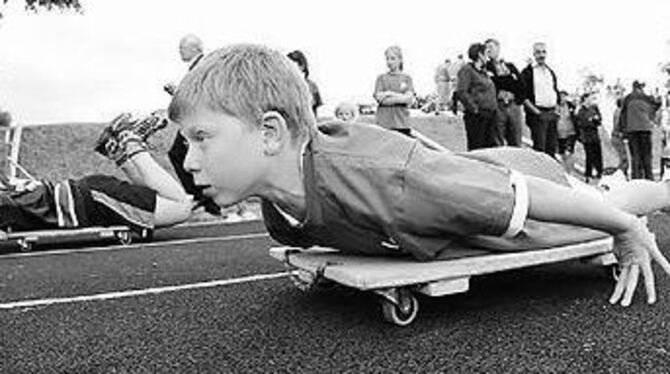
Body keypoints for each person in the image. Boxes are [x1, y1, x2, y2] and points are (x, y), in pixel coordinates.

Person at [167, 43, 670, 308]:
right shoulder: (278, 206)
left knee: (615, 200)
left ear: (270, 133)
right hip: (457, 188)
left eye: (201, 138)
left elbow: (523, 193)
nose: (188, 161)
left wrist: (624, 231)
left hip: (514, 180)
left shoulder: (390, 181)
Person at [1, 113, 194, 240]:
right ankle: (117, 149)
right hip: (90, 196)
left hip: (90, 200)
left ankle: (130, 141)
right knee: (170, 201)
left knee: (181, 207)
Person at [164, 34, 221, 217]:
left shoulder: (201, 67)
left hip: (199, 121)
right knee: (189, 157)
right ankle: (207, 200)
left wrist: (177, 93)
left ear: (195, 48)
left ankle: (203, 197)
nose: (180, 51)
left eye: (183, 47)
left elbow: (201, 95)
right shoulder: (200, 66)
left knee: (179, 155)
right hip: (197, 120)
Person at [520, 42, 561, 157]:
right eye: (538, 52)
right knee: (540, 150)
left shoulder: (550, 71)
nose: (541, 55)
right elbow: (523, 96)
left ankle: (549, 175)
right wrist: (536, 112)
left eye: (543, 52)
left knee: (551, 149)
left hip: (552, 114)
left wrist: (557, 109)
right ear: (533, 54)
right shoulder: (528, 72)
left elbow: (555, 90)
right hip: (538, 114)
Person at [455, 43, 499, 150]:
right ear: (480, 54)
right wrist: (474, 109)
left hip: (490, 115)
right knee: (477, 148)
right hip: (478, 117)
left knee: (491, 148)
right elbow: (462, 91)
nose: (488, 57)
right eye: (486, 53)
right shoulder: (467, 70)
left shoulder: (484, 72)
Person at [484, 38, 524, 147]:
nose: (488, 50)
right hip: (498, 105)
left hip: (513, 104)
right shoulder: (486, 67)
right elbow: (494, 84)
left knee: (516, 139)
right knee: (498, 139)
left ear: (498, 48)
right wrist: (509, 79)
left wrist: (503, 79)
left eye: (491, 47)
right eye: (486, 48)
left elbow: (520, 84)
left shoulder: (510, 66)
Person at [620, 81, 662, 180]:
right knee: (647, 156)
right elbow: (657, 105)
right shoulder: (646, 97)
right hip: (645, 129)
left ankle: (636, 179)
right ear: (640, 88)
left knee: (635, 156)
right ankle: (649, 178)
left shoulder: (628, 98)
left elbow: (623, 115)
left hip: (632, 131)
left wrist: (623, 132)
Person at [373, 46, 415, 136]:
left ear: (400, 59)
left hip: (402, 124)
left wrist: (389, 93)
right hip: (384, 124)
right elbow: (381, 99)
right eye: (387, 59)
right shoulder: (381, 78)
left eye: (392, 58)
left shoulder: (407, 78)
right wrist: (400, 97)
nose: (389, 62)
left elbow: (408, 99)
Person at [576, 93, 604, 183]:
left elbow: (599, 120)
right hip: (586, 137)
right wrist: (592, 121)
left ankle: (600, 172)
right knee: (589, 156)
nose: (591, 100)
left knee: (598, 155)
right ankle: (588, 174)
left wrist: (593, 120)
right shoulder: (581, 111)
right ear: (584, 99)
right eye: (589, 99)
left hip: (595, 136)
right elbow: (582, 123)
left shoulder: (594, 108)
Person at [287, 50, 323, 117]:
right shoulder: (284, 86)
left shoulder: (312, 86)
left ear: (302, 66)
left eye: (292, 65)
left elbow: (314, 110)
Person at [556, 91, 577, 172]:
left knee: (569, 153)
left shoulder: (570, 105)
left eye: (564, 96)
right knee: (562, 153)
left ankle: (570, 171)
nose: (563, 98)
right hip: (559, 133)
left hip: (570, 132)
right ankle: (564, 170)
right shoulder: (555, 105)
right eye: (561, 96)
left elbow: (575, 115)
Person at [611, 97, 630, 178]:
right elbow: (618, 124)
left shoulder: (617, 111)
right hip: (618, 136)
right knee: (624, 158)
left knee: (622, 157)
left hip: (616, 136)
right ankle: (621, 175)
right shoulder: (620, 113)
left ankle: (621, 173)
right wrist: (622, 132)